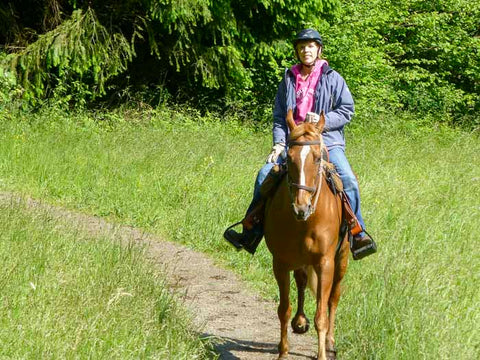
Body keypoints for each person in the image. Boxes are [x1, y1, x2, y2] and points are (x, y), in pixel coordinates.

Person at [224, 29, 376, 260]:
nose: (306, 50)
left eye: (311, 46)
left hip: (325, 143)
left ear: (319, 49)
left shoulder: (333, 78)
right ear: (297, 51)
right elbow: (278, 116)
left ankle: (357, 233)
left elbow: (347, 110)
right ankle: (251, 231)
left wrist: (323, 122)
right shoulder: (288, 79)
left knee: (348, 179)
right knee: (264, 174)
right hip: (293, 144)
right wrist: (278, 144)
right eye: (302, 47)